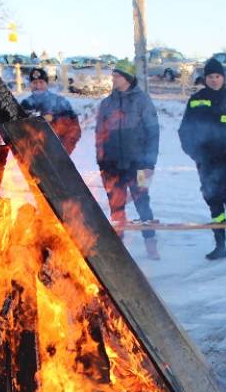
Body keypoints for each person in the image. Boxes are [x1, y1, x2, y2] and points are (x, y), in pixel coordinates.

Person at [178, 58, 226, 261]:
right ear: (205, 78)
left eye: (217, 76)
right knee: (214, 202)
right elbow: (184, 131)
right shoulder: (196, 100)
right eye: (210, 76)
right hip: (207, 163)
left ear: (223, 78)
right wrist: (196, 154)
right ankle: (220, 246)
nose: (214, 80)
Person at [95, 60, 161, 260]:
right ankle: (119, 247)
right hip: (112, 166)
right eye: (113, 75)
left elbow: (153, 133)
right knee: (116, 206)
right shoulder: (106, 104)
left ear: (128, 78)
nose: (113, 79)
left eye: (117, 76)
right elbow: (100, 135)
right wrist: (101, 162)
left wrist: (149, 164)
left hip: (139, 165)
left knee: (143, 203)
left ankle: (151, 243)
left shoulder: (142, 101)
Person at [20, 67, 82, 154]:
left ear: (46, 83)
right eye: (34, 83)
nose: (38, 86)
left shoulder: (60, 102)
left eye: (41, 82)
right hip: (32, 153)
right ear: (30, 84)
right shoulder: (25, 104)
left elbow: (74, 128)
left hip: (56, 151)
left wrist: (63, 151)